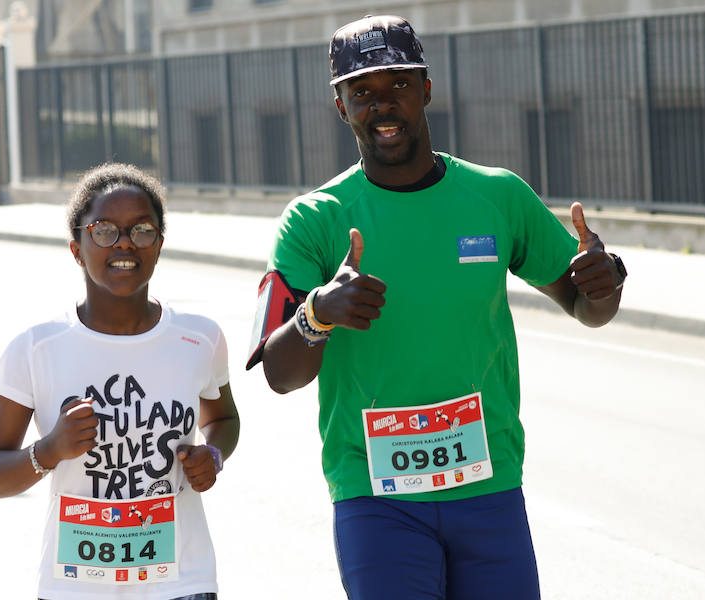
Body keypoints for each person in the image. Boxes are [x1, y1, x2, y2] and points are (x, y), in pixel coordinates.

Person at [247, 15, 627, 600]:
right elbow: (278, 373)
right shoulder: (314, 219)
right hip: (374, 496)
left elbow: (587, 308)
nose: (383, 105)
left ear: (426, 88)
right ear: (341, 107)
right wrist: (318, 313)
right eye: (362, 93)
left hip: (488, 482)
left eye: (397, 84)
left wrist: (604, 287)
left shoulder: (497, 196)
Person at [0, 163, 240, 600]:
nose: (124, 244)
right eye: (103, 231)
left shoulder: (199, 337)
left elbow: (224, 418)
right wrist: (49, 451)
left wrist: (213, 454)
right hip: (75, 585)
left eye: (141, 230)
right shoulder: (37, 347)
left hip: (183, 581)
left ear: (158, 244)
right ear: (77, 248)